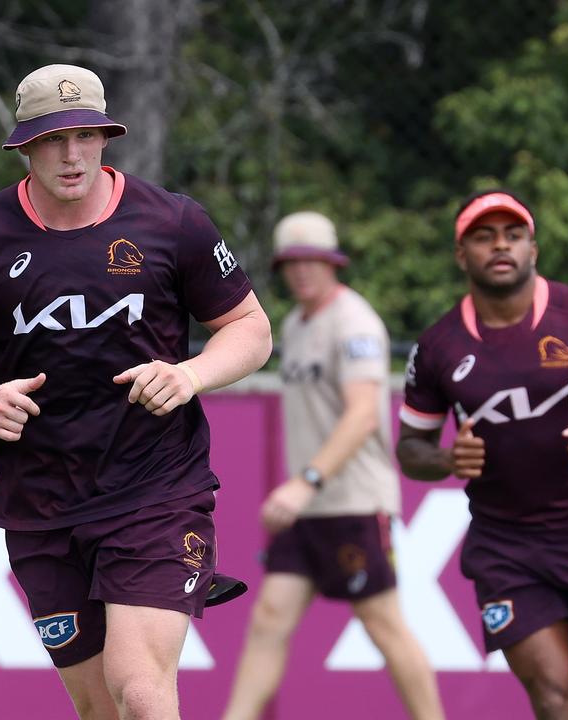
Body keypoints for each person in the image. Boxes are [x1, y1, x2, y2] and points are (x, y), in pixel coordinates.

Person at [0, 63, 272, 720]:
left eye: (85, 135)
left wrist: (189, 374)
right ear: (23, 145)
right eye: (52, 139)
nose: (71, 154)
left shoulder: (174, 223)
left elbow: (249, 328)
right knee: (99, 707)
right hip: (40, 503)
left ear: (107, 137)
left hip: (156, 490)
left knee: (138, 690)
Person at [396, 189, 568, 720]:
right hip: (506, 549)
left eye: (513, 234)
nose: (500, 246)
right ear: (462, 256)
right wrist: (450, 459)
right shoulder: (438, 347)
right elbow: (410, 449)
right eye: (483, 236)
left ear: (532, 248)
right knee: (554, 701)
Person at [222, 212, 445, 720]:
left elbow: (364, 414)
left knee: (384, 624)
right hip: (307, 510)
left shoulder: (355, 322)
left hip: (353, 502)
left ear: (333, 263)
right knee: (269, 618)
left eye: (312, 262)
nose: (302, 273)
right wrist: (304, 492)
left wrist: (306, 481)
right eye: (291, 263)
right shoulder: (297, 325)